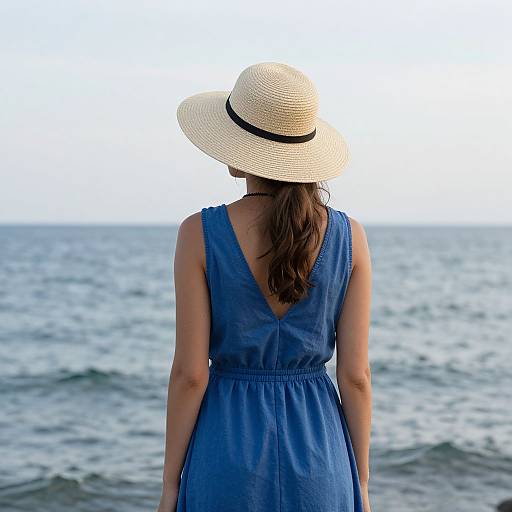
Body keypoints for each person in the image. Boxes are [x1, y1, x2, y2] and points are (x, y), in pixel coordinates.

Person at [157, 62, 372, 512]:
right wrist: (362, 485)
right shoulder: (350, 237)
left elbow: (190, 375)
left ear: (241, 149)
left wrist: (171, 485)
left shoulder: (198, 233)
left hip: (226, 448)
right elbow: (355, 377)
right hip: (322, 453)